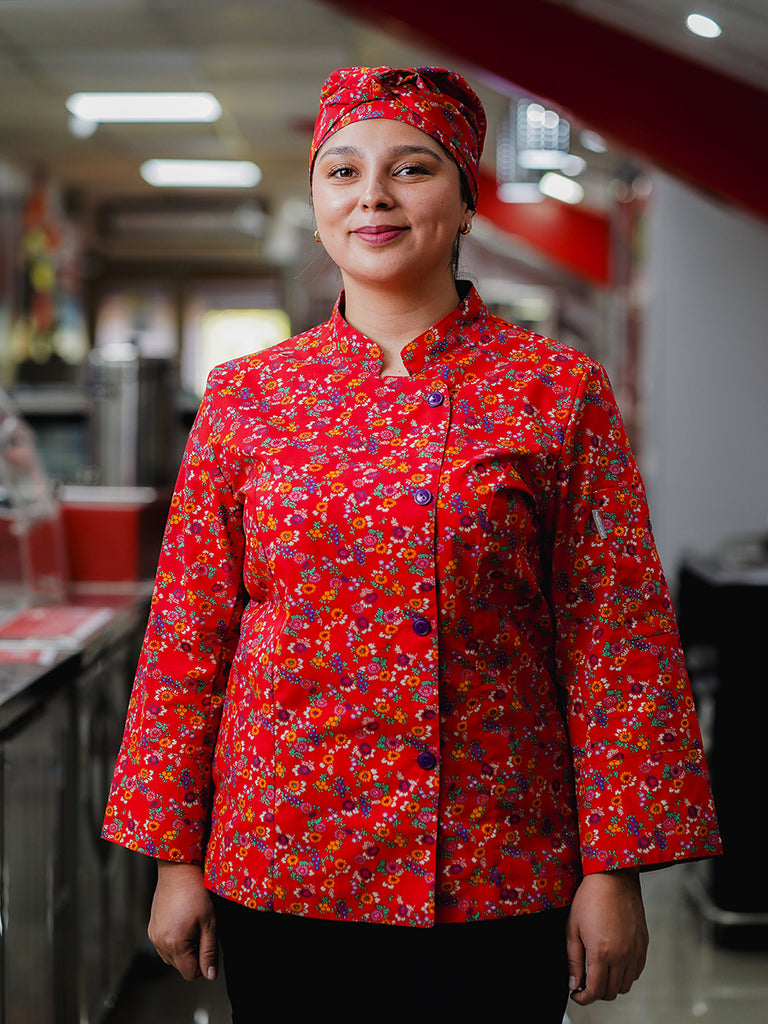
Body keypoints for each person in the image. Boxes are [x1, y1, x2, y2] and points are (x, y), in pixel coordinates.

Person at [103, 66, 721, 1021]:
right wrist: (175, 859)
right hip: (282, 857)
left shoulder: (556, 390)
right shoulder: (246, 397)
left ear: (468, 198)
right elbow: (188, 635)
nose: (373, 198)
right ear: (315, 205)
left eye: (412, 168)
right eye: (342, 173)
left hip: (494, 863)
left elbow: (616, 638)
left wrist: (618, 867)